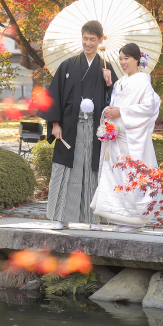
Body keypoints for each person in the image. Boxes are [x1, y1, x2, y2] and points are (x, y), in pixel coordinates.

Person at [38, 20, 118, 230]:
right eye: (85, 38)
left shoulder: (106, 68)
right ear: (81, 38)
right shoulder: (68, 65)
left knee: (94, 169)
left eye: (93, 39)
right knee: (65, 168)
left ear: (100, 41)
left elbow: (116, 101)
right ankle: (60, 216)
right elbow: (54, 96)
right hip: (70, 126)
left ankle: (95, 218)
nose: (88, 43)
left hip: (96, 128)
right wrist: (55, 124)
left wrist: (110, 84)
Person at [90, 42, 163, 232]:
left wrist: (121, 111)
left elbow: (148, 107)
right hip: (116, 137)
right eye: (120, 58)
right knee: (116, 176)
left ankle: (135, 220)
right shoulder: (120, 82)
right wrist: (109, 112)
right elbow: (113, 105)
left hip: (132, 138)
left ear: (137, 59)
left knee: (131, 175)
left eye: (127, 58)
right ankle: (121, 218)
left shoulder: (143, 81)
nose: (123, 62)